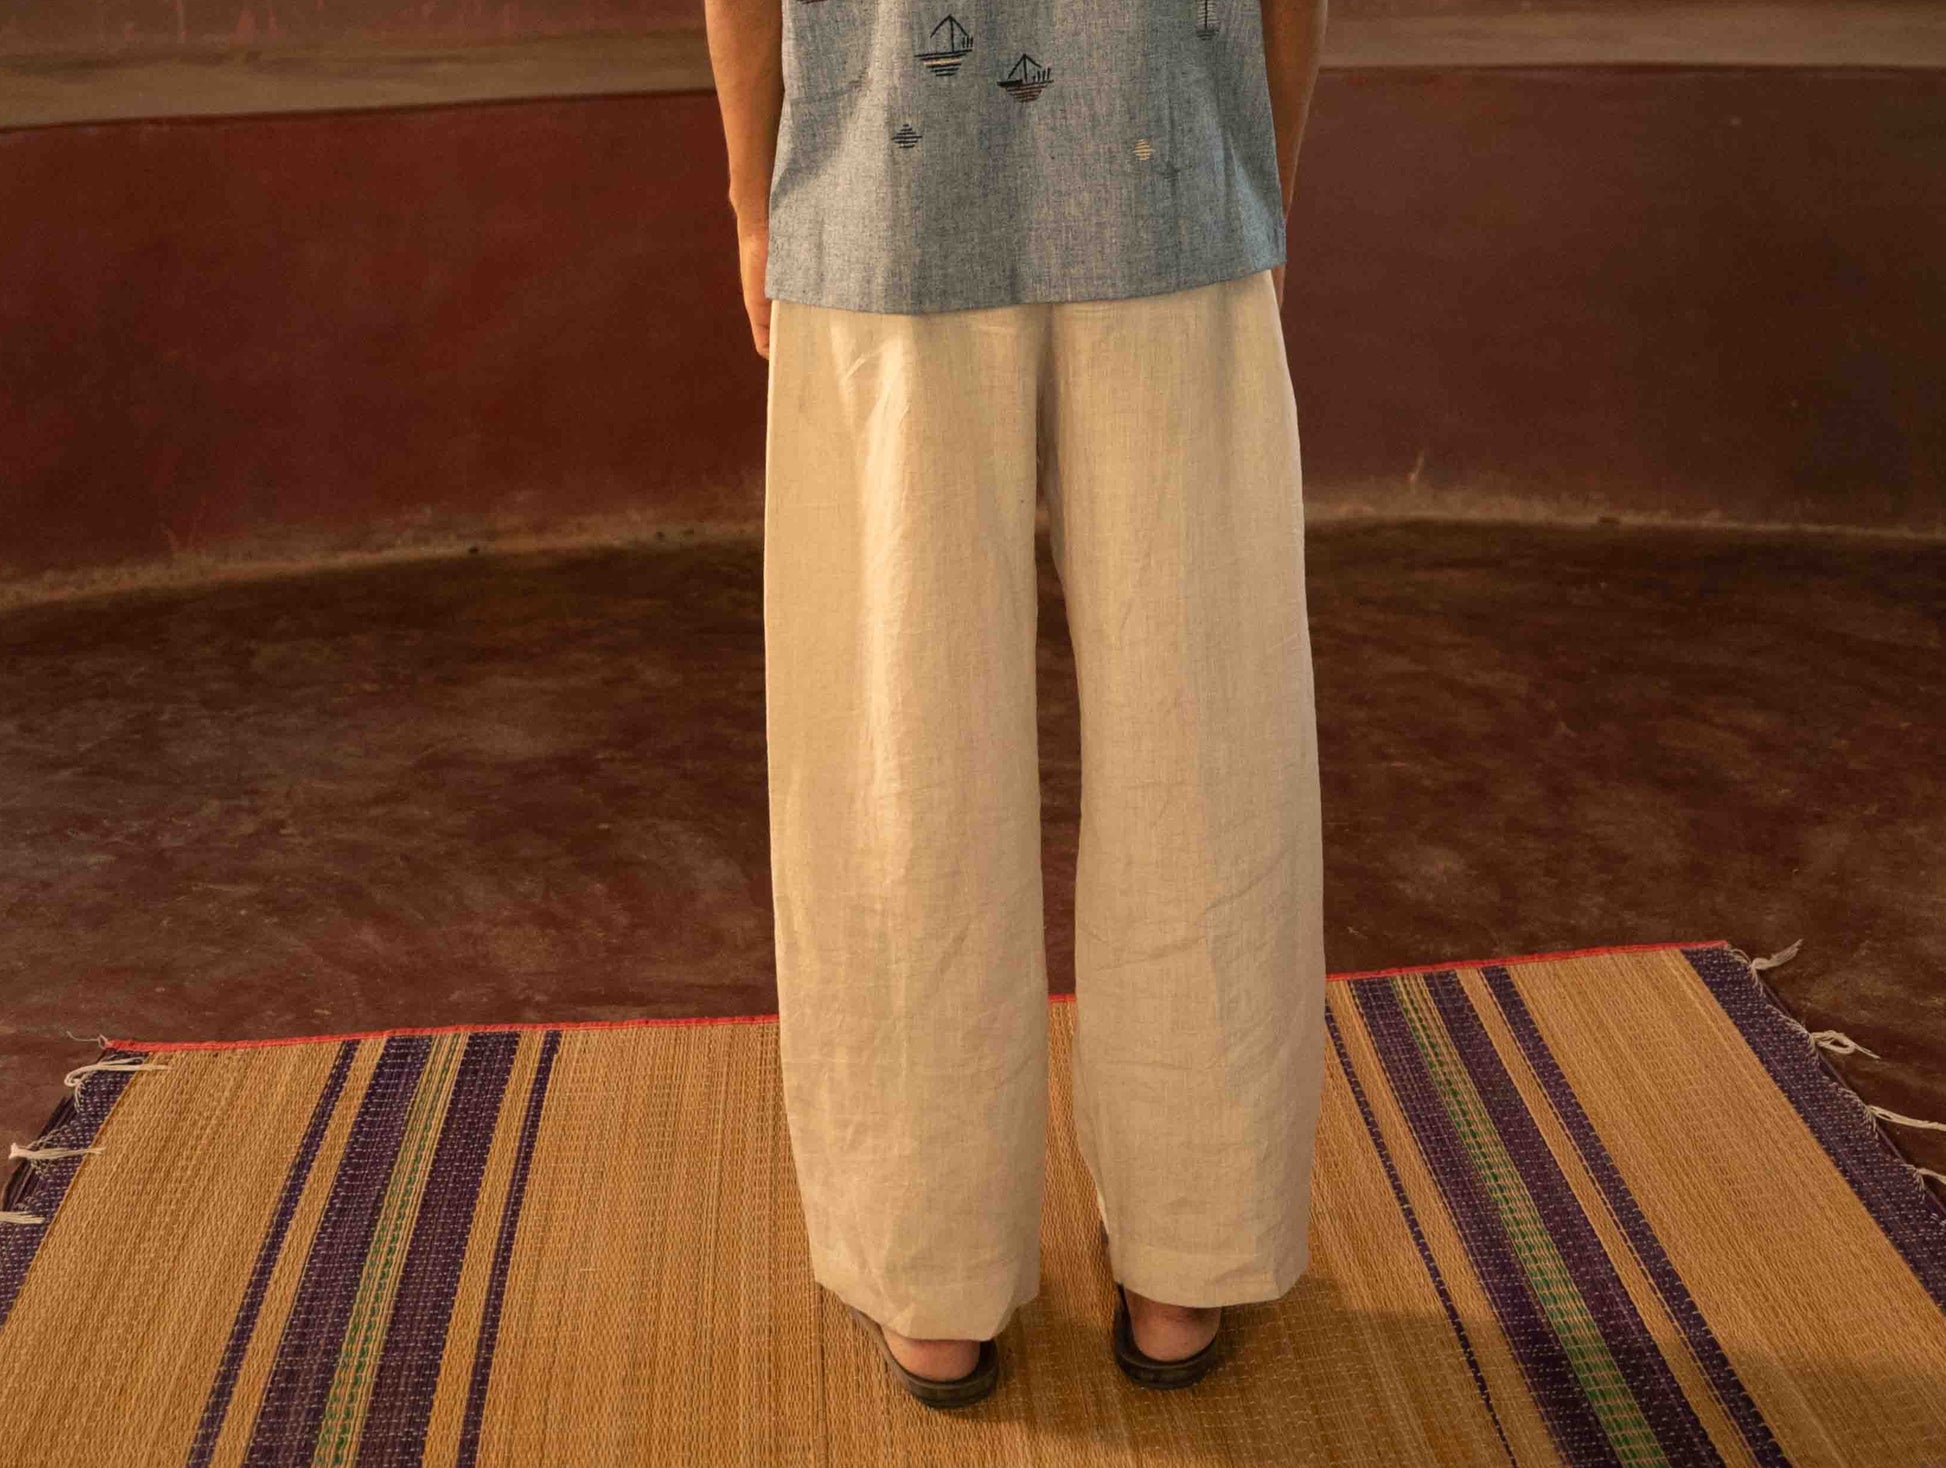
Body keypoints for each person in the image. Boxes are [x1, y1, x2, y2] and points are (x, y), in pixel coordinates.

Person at [705, 0, 1330, 1409]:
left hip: (881, 199)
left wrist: (754, 197)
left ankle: (930, 1276)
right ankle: (1191, 1253)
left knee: (893, 741)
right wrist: (1261, 183)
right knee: (1206, 729)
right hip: (1175, 187)